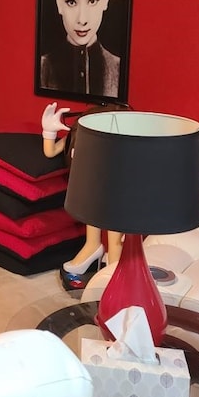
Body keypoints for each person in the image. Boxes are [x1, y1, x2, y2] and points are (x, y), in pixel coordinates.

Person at [41, 101, 122, 290]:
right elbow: (50, 151)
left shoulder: (116, 148)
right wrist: (48, 130)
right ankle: (92, 247)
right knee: (92, 219)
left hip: (114, 194)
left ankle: (114, 266)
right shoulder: (80, 136)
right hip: (90, 191)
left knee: (115, 234)